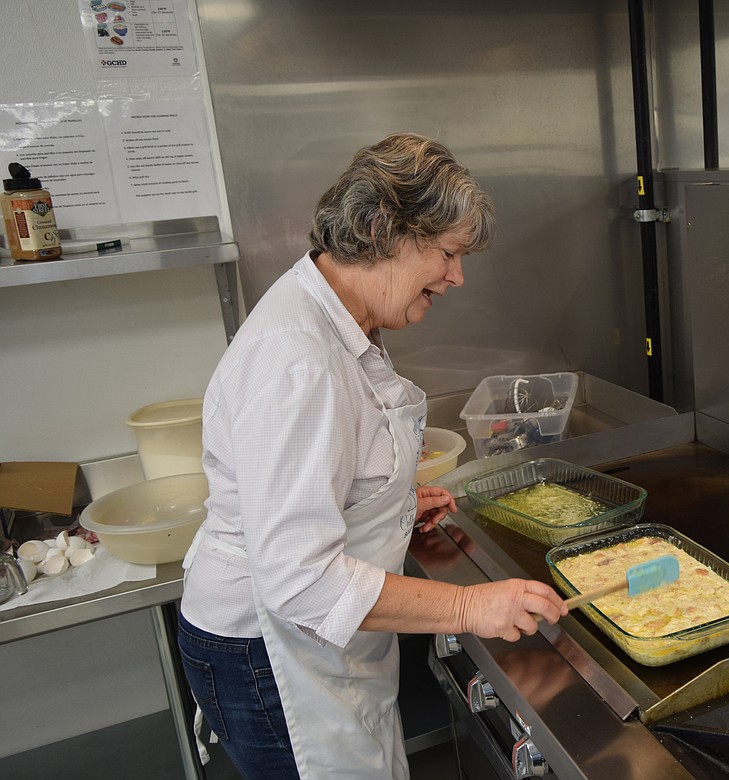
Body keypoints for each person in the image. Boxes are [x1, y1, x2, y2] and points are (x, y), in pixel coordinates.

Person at [177, 132, 567, 780]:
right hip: (266, 652)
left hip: (300, 643)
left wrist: (389, 506)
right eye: (448, 253)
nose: (457, 276)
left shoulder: (345, 317)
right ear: (384, 230)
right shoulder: (296, 359)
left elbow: (317, 475)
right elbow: (298, 578)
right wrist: (474, 607)